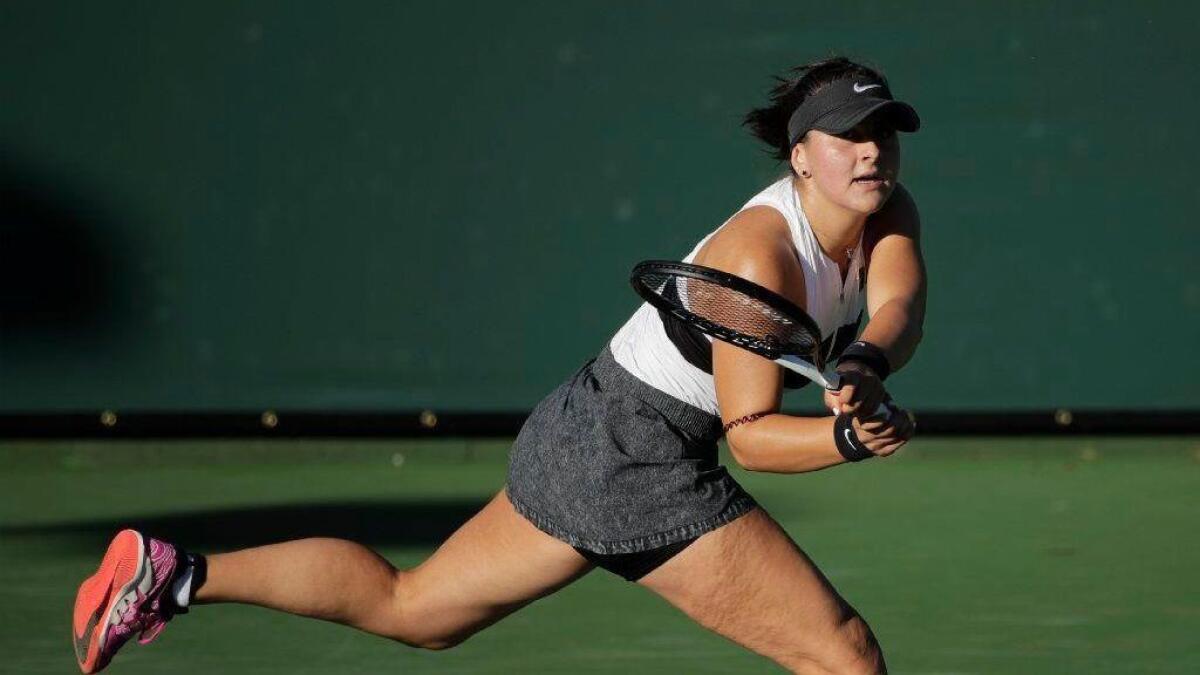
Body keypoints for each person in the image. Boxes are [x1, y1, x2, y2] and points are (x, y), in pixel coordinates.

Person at [73, 56, 924, 675]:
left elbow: (898, 308)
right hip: (633, 451)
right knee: (841, 655)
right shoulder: (757, 256)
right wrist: (848, 438)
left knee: (417, 611)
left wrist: (866, 362)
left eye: (881, 132)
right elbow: (755, 440)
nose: (870, 151)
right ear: (799, 154)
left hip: (584, 428)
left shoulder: (886, 210)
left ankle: (173, 574)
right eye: (846, 136)